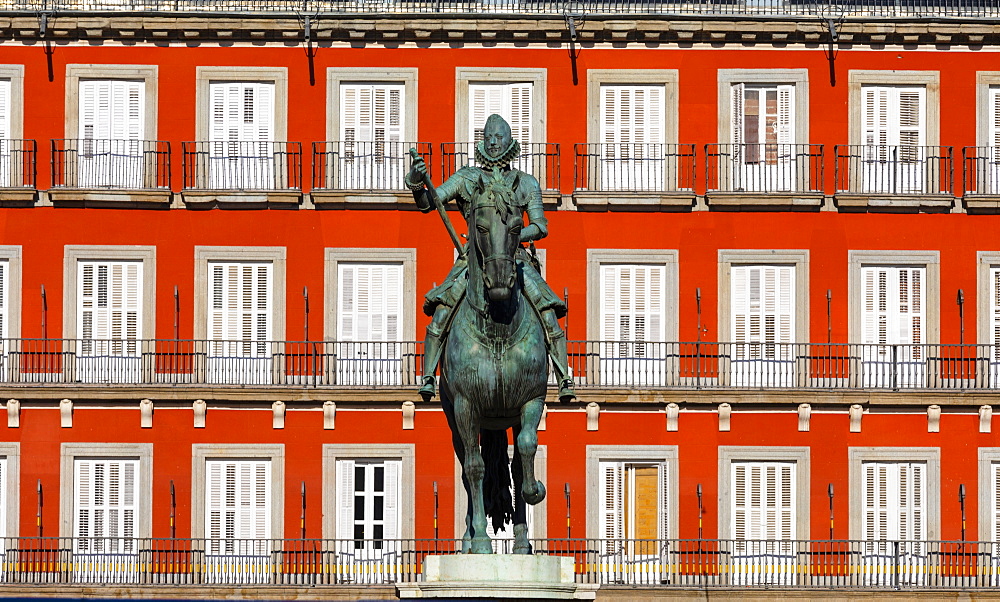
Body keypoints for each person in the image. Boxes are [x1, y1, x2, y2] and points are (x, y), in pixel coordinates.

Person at [405, 113, 576, 403]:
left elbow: (540, 225)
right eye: (489, 137)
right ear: (482, 142)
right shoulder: (466, 178)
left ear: (510, 142)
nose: (494, 142)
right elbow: (429, 203)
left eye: (499, 137)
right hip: (474, 257)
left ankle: (563, 376)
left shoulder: (526, 183)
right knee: (443, 308)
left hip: (515, 257)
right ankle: (429, 375)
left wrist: (513, 237)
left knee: (547, 311)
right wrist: (416, 180)